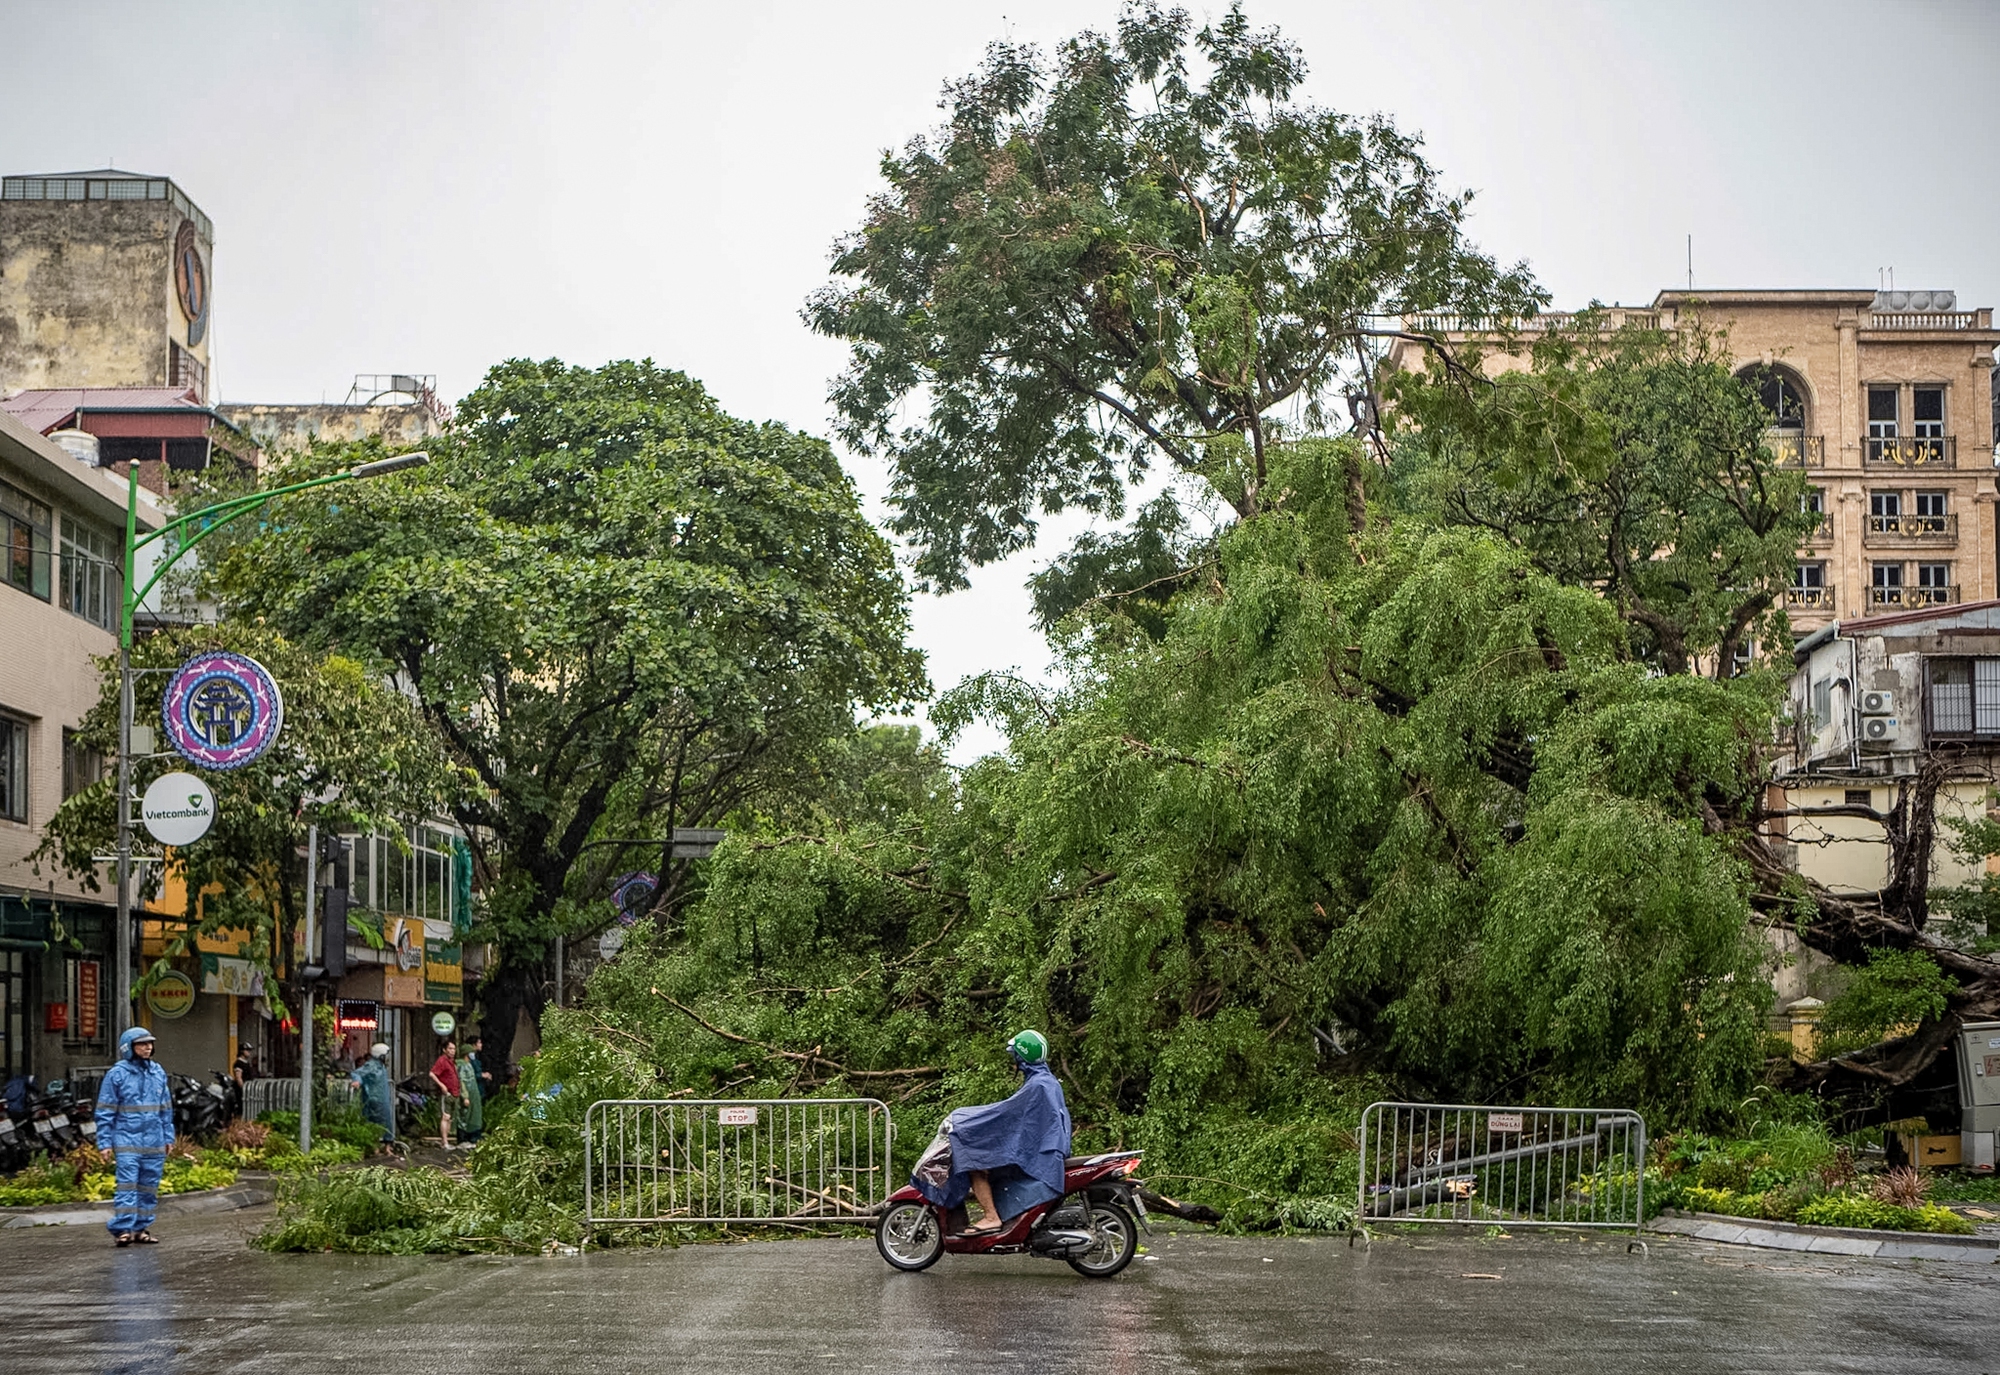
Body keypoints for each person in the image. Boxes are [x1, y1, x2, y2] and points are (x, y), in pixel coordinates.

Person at [911, 1030, 1071, 1236]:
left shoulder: (1038, 1085)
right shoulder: (1046, 1081)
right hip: (1045, 1152)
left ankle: (991, 1217)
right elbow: (1011, 1114)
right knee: (987, 1164)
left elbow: (1003, 1114)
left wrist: (964, 1121)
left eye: (1014, 1056)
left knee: (974, 1164)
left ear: (1022, 1057)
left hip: (1040, 1159)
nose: (1012, 1061)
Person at [96, 1026, 175, 1247]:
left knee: (149, 1186)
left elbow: (165, 1108)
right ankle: (122, 1229)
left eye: (150, 1043)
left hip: (154, 1139)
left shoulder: (157, 1072)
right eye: (142, 1044)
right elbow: (105, 1111)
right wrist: (104, 1143)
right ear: (129, 1048)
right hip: (126, 1138)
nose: (148, 1047)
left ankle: (140, 1228)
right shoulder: (117, 1074)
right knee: (127, 1185)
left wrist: (169, 1137)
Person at [349, 1042, 396, 1149]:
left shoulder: (381, 1066)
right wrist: (357, 1082)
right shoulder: (371, 1065)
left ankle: (387, 1146)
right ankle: (376, 1147)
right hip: (373, 1099)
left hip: (382, 1098)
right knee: (374, 1123)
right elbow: (357, 1073)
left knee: (386, 1122)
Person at [428, 1038, 464, 1149]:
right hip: (447, 1093)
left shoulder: (452, 1062)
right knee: (445, 1116)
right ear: (445, 1050)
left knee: (450, 1118)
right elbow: (432, 1074)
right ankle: (445, 1142)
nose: (452, 1051)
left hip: (455, 1093)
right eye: (450, 1048)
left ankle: (446, 1140)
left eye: (454, 1049)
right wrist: (442, 1085)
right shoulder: (442, 1061)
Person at [454, 1040, 484, 1145]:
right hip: (467, 1095)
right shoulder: (461, 1065)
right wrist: (465, 1096)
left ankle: (473, 1137)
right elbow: (461, 1081)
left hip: (473, 1094)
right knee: (464, 1116)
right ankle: (463, 1138)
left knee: (473, 1115)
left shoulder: (469, 1064)